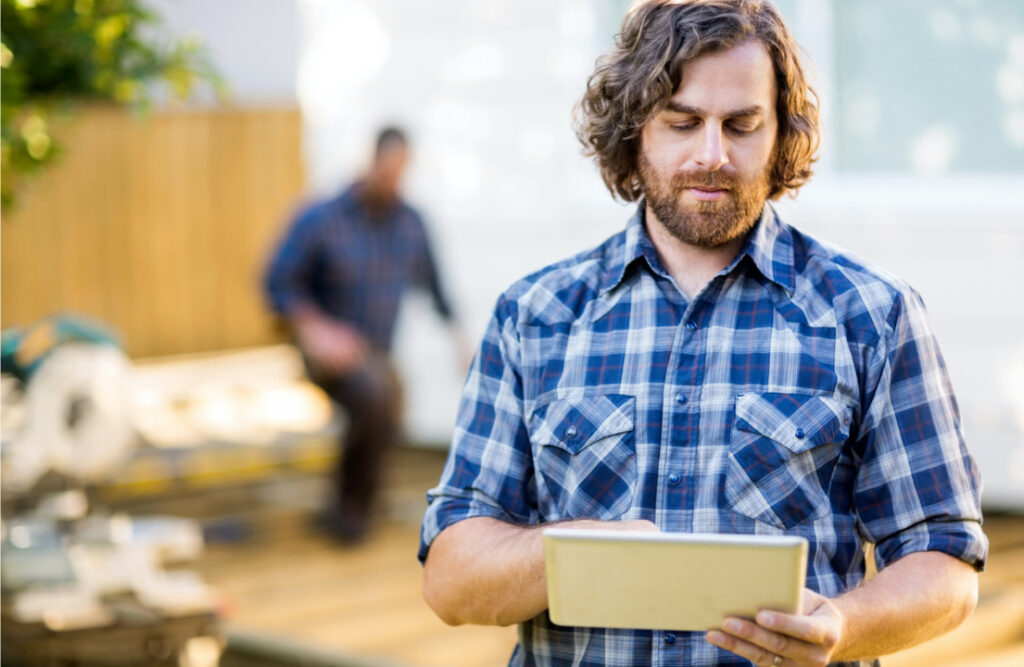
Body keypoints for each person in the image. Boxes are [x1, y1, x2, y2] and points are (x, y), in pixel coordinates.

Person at [418, 1, 988, 665]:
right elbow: (451, 578)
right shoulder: (533, 315)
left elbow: (946, 563)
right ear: (636, 130)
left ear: (781, 135)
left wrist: (843, 623)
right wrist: (582, 552)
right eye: (682, 122)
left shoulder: (873, 314)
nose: (711, 154)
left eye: (742, 124)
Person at [265, 126, 462, 544]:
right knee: (375, 395)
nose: (392, 180)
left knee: (386, 399)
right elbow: (277, 282)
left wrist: (460, 342)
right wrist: (316, 328)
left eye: (400, 173)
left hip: (376, 353)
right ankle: (350, 515)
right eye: (386, 169)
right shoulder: (320, 218)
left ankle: (353, 504)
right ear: (371, 160)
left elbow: (438, 290)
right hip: (323, 348)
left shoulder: (410, 224)